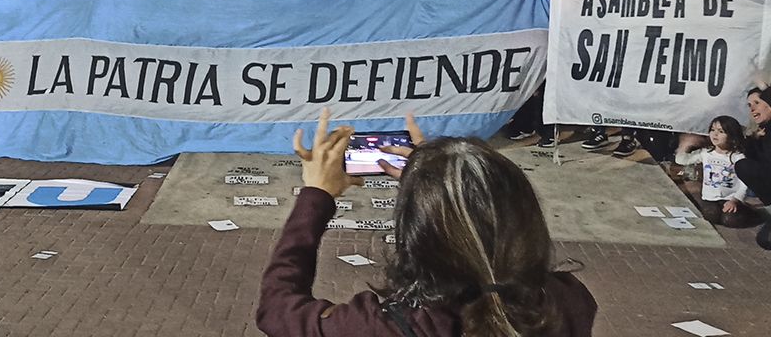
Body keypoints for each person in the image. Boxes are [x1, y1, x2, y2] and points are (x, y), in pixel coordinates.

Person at [257, 111, 596, 337]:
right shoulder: (568, 301)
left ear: (418, 238)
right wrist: (437, 183)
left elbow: (278, 307)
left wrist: (316, 196)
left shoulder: (382, 327)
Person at [675, 116, 758, 228]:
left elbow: (745, 182)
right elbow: (682, 160)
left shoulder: (737, 157)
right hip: (710, 199)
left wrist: (735, 200)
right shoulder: (706, 153)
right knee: (710, 215)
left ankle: (751, 213)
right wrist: (684, 146)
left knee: (730, 220)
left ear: (732, 136)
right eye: (712, 130)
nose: (715, 134)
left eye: (721, 131)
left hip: (731, 198)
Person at [735, 87, 771, 249]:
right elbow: (752, 162)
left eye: (757, 103)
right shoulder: (763, 131)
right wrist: (753, 139)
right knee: (764, 241)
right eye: (749, 105)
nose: (752, 109)